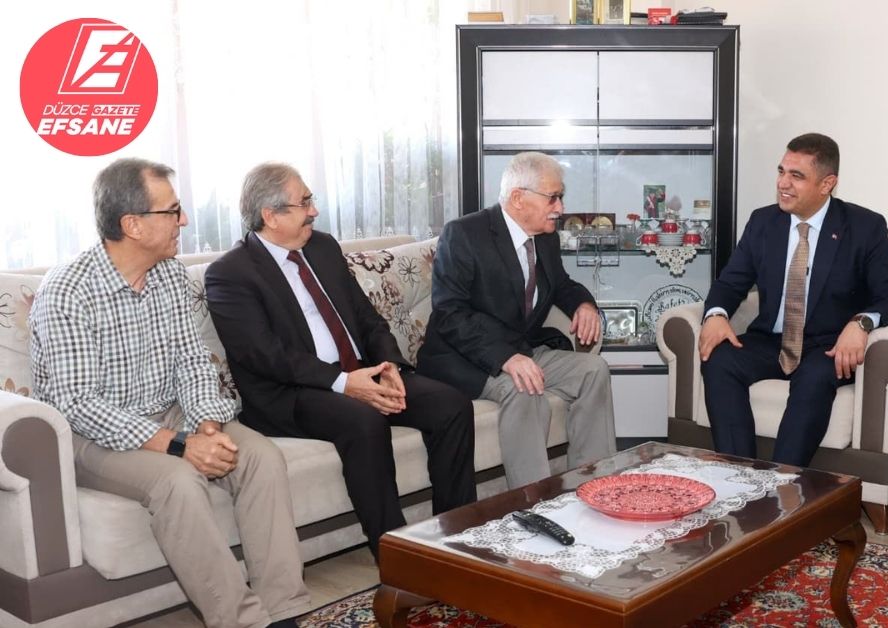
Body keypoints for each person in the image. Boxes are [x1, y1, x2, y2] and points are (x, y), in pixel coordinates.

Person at [28, 158, 309, 628]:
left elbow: (192, 361)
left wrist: (207, 428)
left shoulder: (171, 276)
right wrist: (180, 447)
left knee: (259, 456)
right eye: (173, 211)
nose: (185, 220)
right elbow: (77, 404)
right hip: (90, 435)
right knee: (177, 481)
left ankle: (284, 611)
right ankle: (242, 622)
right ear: (133, 225)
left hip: (171, 413)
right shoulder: (68, 291)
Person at [204, 163, 476, 559]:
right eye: (304, 203)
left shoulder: (323, 247)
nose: (314, 211)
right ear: (271, 216)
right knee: (363, 420)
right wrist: (345, 384)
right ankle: (397, 557)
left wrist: (389, 366)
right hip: (292, 393)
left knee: (450, 405)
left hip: (360, 372)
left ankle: (455, 540)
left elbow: (366, 317)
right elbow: (265, 355)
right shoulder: (230, 273)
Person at [699, 133, 888, 467]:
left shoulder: (863, 227)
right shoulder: (763, 222)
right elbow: (730, 283)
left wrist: (861, 323)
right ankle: (739, 473)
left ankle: (783, 479)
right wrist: (715, 314)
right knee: (719, 358)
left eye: (796, 176)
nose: (782, 183)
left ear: (827, 184)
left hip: (828, 346)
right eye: (781, 171)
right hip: (771, 341)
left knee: (815, 376)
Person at [418, 151, 617, 488]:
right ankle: (532, 503)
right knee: (524, 387)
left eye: (560, 197)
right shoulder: (464, 234)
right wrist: (505, 358)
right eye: (553, 197)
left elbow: (561, 284)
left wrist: (584, 304)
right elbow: (450, 313)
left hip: (521, 348)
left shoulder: (546, 237)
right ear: (518, 198)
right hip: (465, 357)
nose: (560, 208)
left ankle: (593, 485)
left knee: (593, 370)